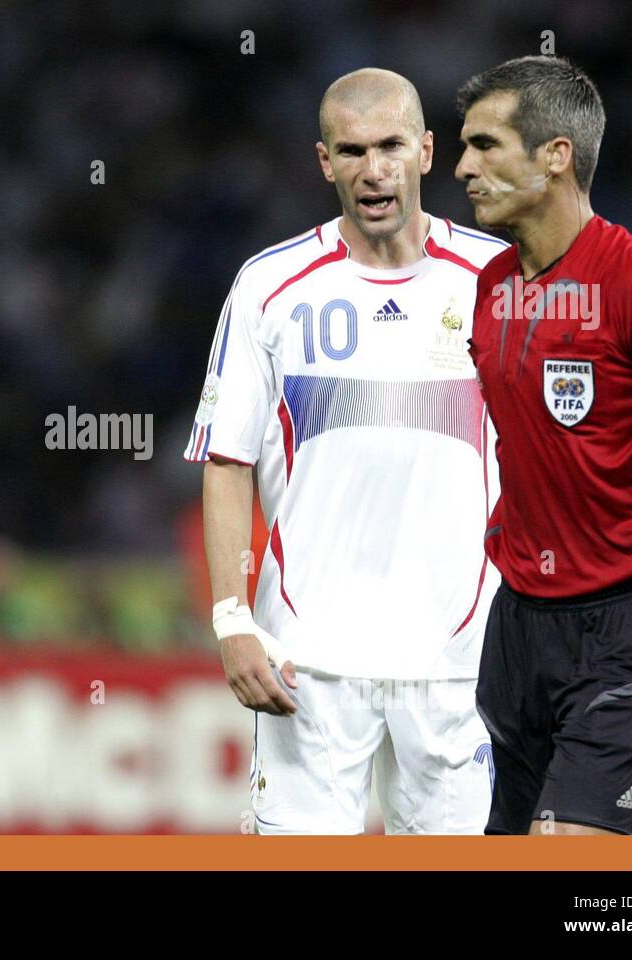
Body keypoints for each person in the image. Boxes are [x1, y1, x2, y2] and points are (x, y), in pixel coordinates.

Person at [186, 69, 506, 834]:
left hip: (461, 658)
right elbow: (226, 462)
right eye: (353, 150)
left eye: (392, 145)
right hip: (308, 657)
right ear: (325, 162)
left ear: (427, 151)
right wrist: (233, 618)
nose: (375, 169)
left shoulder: (501, 281)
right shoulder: (270, 287)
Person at [456, 56, 632, 835]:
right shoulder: (490, 289)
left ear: (556, 154)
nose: (462, 168)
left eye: (486, 146)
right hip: (520, 626)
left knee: (568, 845)